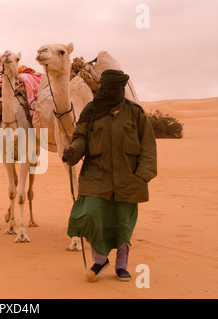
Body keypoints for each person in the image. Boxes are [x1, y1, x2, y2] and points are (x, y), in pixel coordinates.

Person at [62, 69, 157, 282]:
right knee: (91, 215)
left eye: (117, 88)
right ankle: (100, 259)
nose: (113, 92)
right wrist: (73, 151)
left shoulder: (136, 113)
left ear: (122, 89)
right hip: (97, 177)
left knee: (122, 224)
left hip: (128, 179)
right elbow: (80, 139)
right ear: (102, 88)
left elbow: (148, 147)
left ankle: (121, 265)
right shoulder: (91, 111)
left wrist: (142, 177)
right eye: (108, 88)